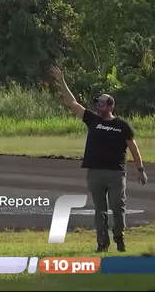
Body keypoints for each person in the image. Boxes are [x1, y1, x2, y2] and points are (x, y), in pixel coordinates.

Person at [50, 66, 147, 253]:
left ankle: (119, 238)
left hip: (116, 173)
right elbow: (73, 103)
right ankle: (102, 243)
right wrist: (61, 81)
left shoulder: (122, 125)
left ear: (110, 106)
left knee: (118, 207)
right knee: (100, 210)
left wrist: (140, 169)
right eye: (97, 103)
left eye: (101, 104)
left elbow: (133, 147)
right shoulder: (93, 120)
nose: (98, 106)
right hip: (95, 173)